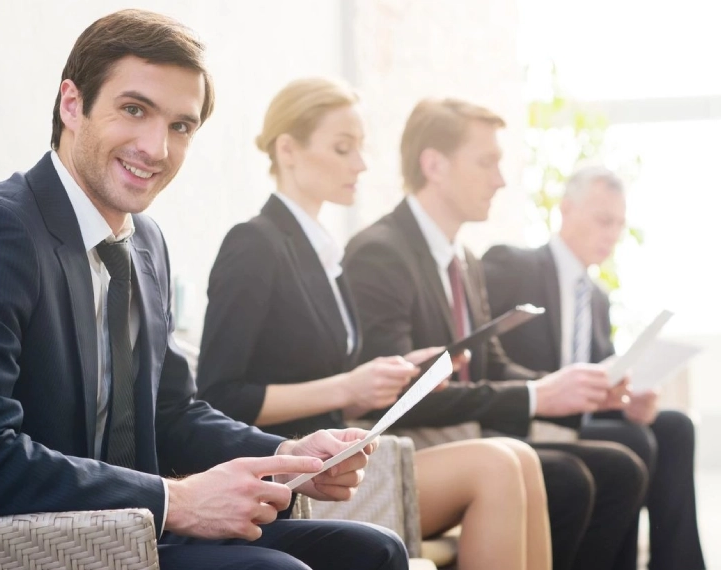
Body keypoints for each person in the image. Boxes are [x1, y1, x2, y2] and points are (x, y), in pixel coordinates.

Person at [0, 10, 408, 570]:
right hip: (11, 542)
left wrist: (285, 454)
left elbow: (174, 414)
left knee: (373, 552)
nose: (156, 148)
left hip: (123, 525)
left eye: (181, 126)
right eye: (134, 110)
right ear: (71, 104)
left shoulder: (145, 243)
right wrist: (175, 500)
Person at [197, 77, 552, 570]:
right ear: (288, 150)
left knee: (520, 458)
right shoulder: (254, 244)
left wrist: (398, 371)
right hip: (290, 476)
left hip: (338, 461)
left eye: (360, 149)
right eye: (343, 149)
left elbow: (332, 372)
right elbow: (220, 394)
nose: (360, 165)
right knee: (496, 466)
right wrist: (348, 387)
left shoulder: (323, 255)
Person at [342, 98, 649, 570]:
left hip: (468, 432)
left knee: (620, 467)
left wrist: (570, 390)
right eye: (487, 162)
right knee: (574, 478)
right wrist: (535, 395)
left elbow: (493, 363)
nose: (501, 180)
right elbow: (397, 398)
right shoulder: (380, 252)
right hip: (417, 442)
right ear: (434, 165)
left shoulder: (463, 258)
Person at [482, 165, 705, 570]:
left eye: (619, 224)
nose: (612, 234)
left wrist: (628, 401)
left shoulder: (598, 299)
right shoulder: (514, 265)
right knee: (632, 441)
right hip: (530, 416)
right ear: (566, 210)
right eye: (604, 220)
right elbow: (487, 361)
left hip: (582, 420)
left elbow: (607, 375)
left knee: (674, 427)